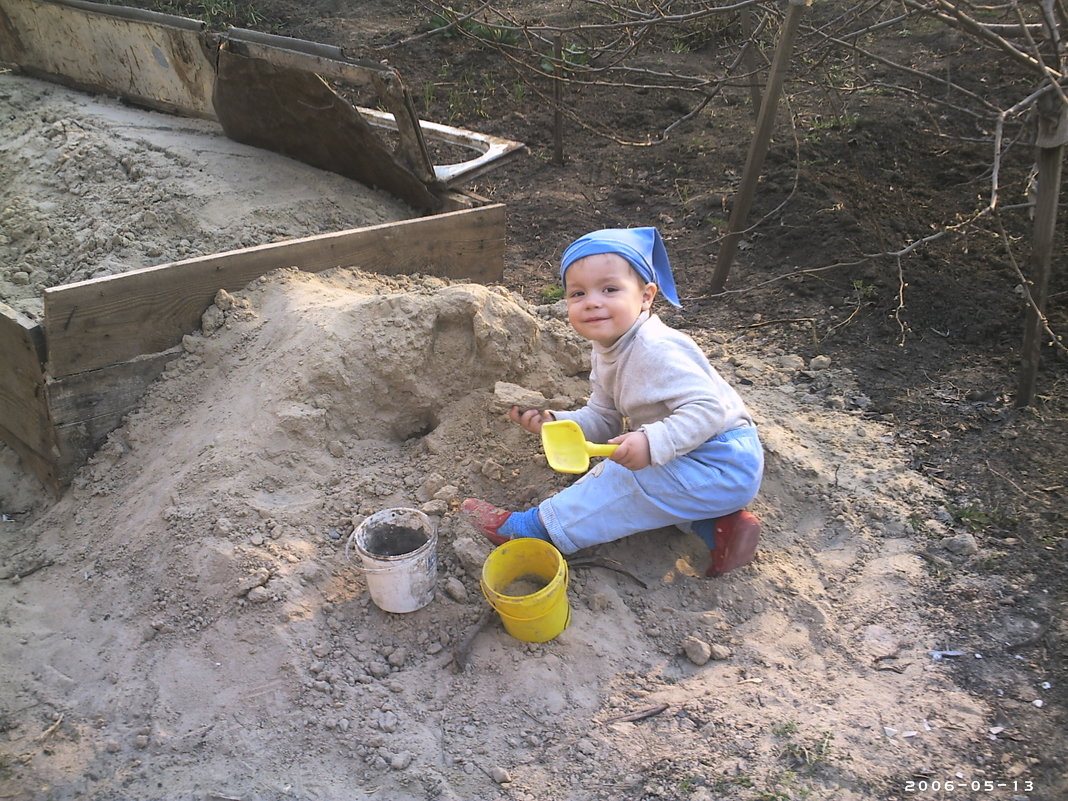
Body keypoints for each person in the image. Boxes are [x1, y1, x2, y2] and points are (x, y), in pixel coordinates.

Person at [461, 227, 764, 577]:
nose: (592, 301)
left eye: (609, 289)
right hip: (700, 465)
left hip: (721, 462)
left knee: (624, 478)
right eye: (578, 293)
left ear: (646, 296)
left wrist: (653, 441)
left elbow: (709, 409)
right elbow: (603, 417)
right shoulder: (608, 349)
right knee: (648, 488)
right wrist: (556, 422)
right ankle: (718, 529)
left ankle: (534, 528)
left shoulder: (656, 349)